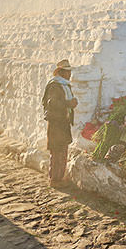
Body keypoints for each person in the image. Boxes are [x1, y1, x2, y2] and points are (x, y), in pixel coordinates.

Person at [42, 59, 78, 187]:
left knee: (62, 150)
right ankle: (55, 180)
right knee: (57, 151)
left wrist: (71, 104)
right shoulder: (55, 86)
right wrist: (69, 103)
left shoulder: (64, 85)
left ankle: (59, 178)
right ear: (61, 72)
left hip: (63, 122)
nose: (70, 74)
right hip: (57, 123)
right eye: (67, 72)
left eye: (70, 72)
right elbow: (52, 103)